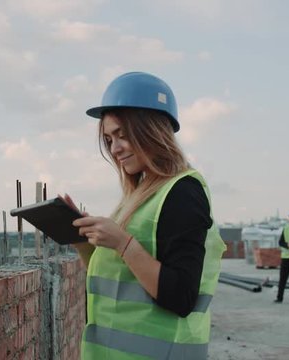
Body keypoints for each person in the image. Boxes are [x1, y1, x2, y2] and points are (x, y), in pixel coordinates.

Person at [64, 71, 227, 359]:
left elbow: (180, 297)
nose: (115, 149)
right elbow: (119, 276)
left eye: (122, 136)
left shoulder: (183, 192)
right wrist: (82, 240)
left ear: (151, 131)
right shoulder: (138, 196)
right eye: (109, 139)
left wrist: (124, 244)